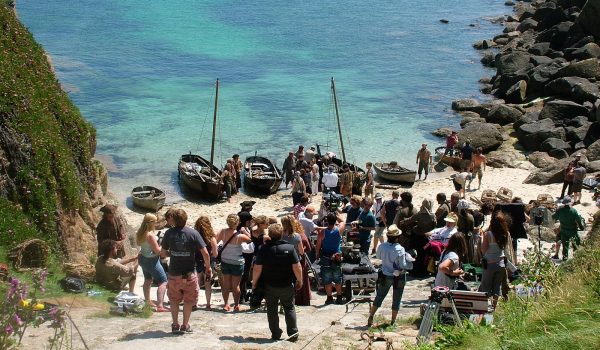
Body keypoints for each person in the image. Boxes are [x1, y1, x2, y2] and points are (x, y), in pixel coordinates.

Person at [160, 209, 212, 334]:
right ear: (186, 219)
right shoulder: (193, 233)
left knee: (174, 299)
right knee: (188, 300)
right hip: (189, 273)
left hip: (174, 272)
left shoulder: (168, 233)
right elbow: (205, 252)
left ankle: (175, 324)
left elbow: (162, 253)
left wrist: (172, 253)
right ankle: (185, 325)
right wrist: (208, 267)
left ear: (174, 220)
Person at [252, 223, 302, 341]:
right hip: (286, 283)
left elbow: (257, 267)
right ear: (281, 234)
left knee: (271, 309)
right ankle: (293, 333)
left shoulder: (263, 249)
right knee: (289, 307)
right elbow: (297, 266)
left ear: (269, 234)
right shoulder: (289, 248)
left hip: (269, 285)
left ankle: (275, 333)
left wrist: (254, 282)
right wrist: (300, 280)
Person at [367, 224, 412, 326]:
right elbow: (403, 265)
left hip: (385, 274)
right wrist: (411, 262)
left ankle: (371, 316)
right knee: (397, 298)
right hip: (398, 276)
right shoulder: (400, 249)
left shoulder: (381, 246)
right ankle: (393, 321)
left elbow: (378, 257)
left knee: (380, 296)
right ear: (397, 237)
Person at [216, 214, 252, 311]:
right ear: (237, 223)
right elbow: (250, 240)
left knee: (226, 284)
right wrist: (245, 231)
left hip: (225, 260)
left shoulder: (222, 232)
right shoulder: (240, 236)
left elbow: (215, 241)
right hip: (237, 262)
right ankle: (236, 305)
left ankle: (226, 304)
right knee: (236, 285)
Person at [135, 213, 168, 312]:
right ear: (151, 223)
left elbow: (139, 244)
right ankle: (160, 305)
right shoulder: (150, 235)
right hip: (151, 260)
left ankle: (147, 300)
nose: (156, 223)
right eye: (155, 222)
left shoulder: (140, 233)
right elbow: (158, 251)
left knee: (148, 280)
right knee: (163, 281)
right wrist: (164, 247)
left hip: (143, 258)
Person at [479, 211, 509, 309]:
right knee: (497, 287)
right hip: (501, 263)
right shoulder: (505, 234)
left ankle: (482, 307)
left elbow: (483, 249)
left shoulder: (488, 234)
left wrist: (482, 238)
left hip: (490, 263)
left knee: (485, 286)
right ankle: (494, 307)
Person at [315, 213, 346, 305]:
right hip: (337, 256)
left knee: (327, 278)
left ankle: (329, 297)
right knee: (337, 277)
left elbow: (318, 245)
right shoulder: (339, 230)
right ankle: (339, 297)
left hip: (325, 257)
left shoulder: (322, 233)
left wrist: (317, 254)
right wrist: (336, 216)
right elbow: (343, 221)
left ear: (327, 221)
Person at [194, 216, 218, 310]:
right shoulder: (211, 238)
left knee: (197, 283)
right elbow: (215, 254)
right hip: (208, 263)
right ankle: (208, 304)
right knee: (208, 284)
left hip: (197, 261)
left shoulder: (195, 236)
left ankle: (194, 303)